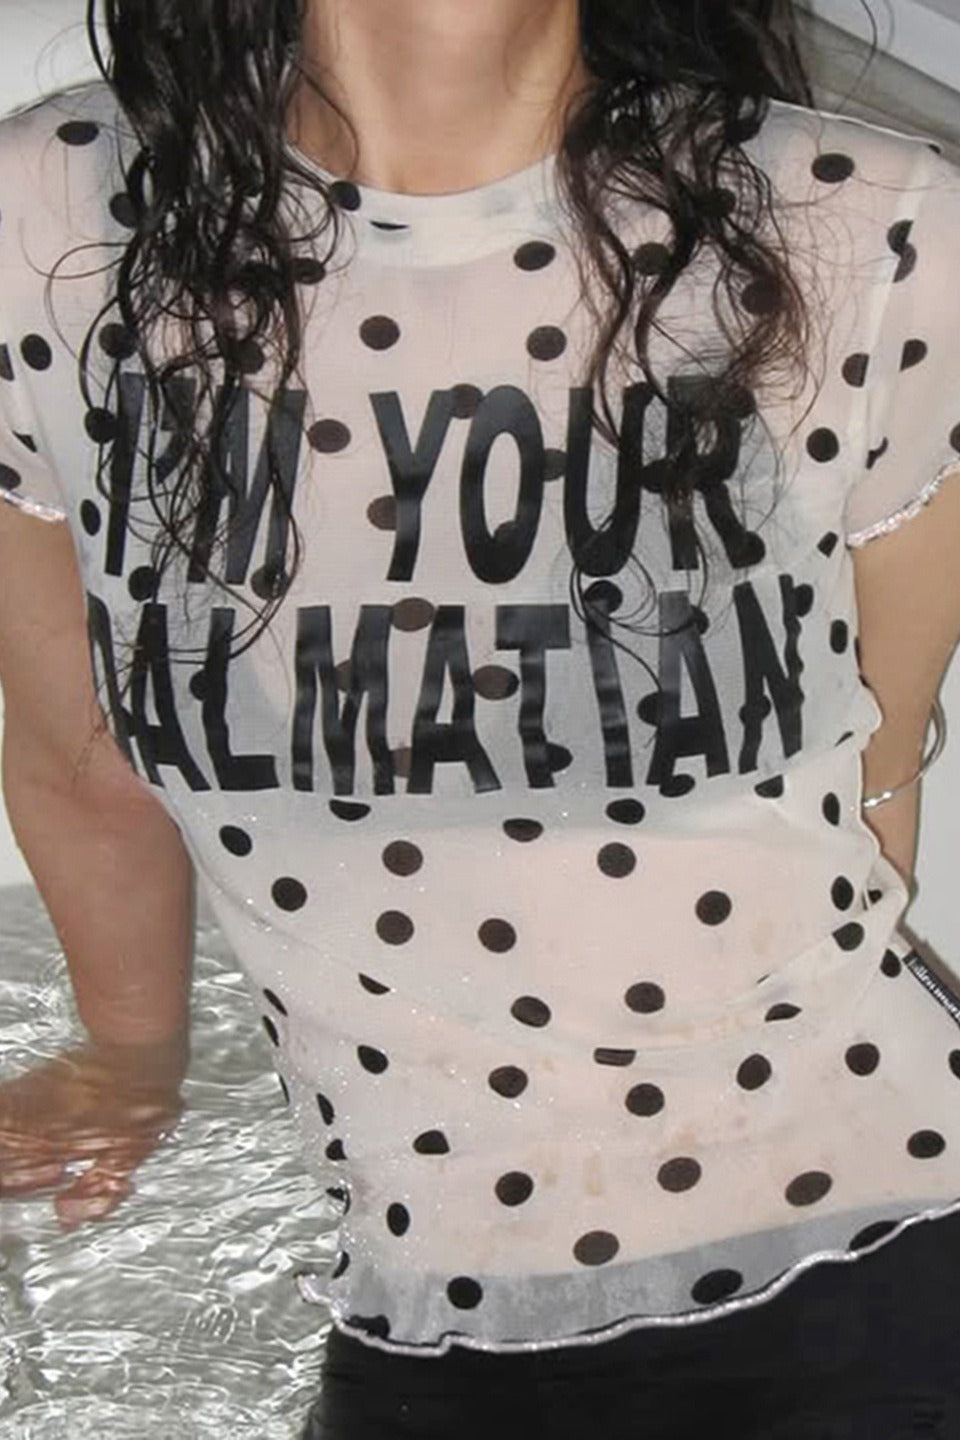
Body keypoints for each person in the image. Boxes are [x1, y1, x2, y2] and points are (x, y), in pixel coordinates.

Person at [2, 0, 960, 1434]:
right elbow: (76, 748)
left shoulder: (874, 223)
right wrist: (130, 1052)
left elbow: (879, 749)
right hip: (428, 1296)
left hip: (886, 1220)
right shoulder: (51, 223)